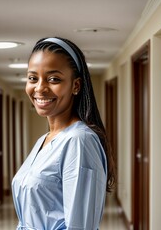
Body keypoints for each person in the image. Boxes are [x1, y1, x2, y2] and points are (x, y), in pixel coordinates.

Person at [11, 37, 115, 230]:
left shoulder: (79, 141)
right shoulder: (45, 139)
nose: (40, 88)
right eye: (33, 78)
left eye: (54, 79)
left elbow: (80, 226)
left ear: (75, 85)